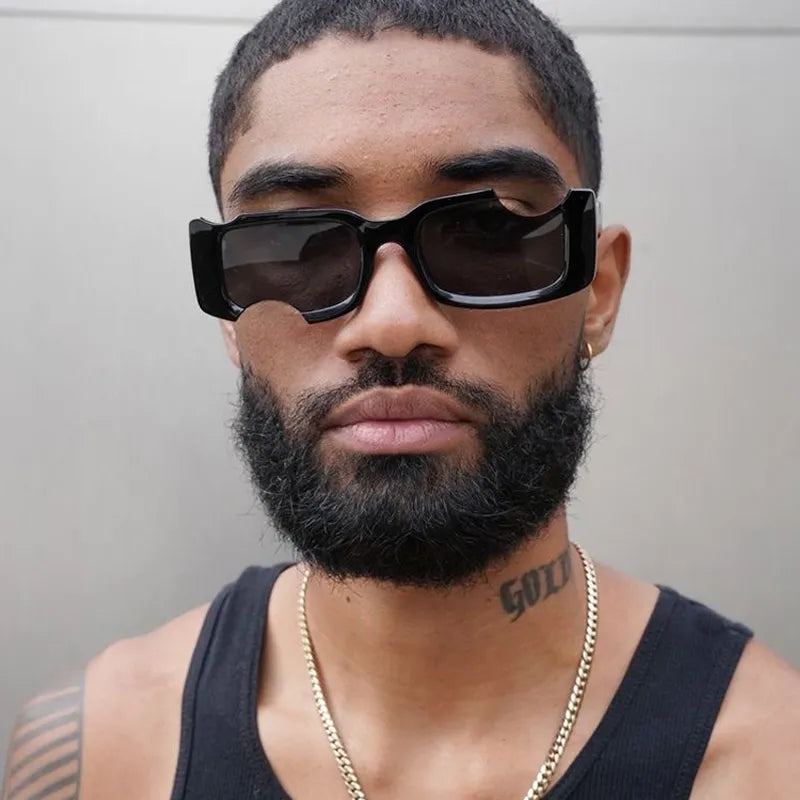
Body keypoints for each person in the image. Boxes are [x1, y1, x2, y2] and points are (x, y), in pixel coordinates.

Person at [4, 1, 799, 798]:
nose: (391, 323)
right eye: (295, 245)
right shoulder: (95, 754)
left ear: (598, 293)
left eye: (487, 232)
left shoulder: (771, 759)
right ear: (231, 315)